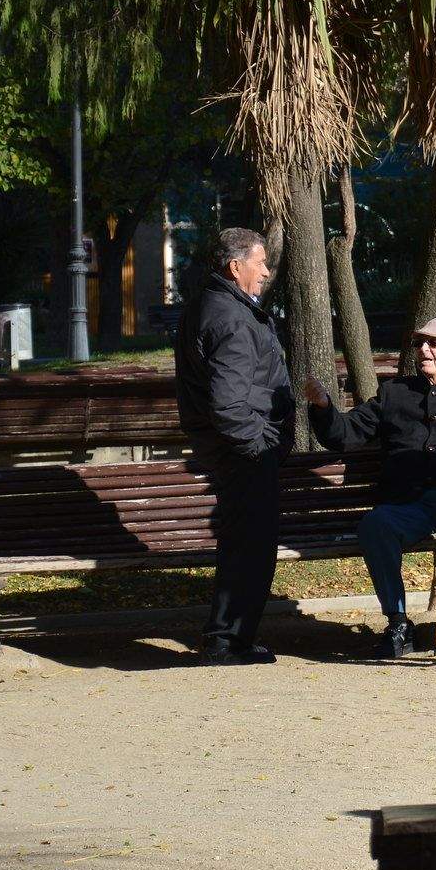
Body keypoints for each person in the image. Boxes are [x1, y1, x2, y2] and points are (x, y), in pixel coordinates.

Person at [303, 316, 436, 660]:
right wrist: (324, 408)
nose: (424, 350)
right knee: (377, 525)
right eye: (420, 343)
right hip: (413, 505)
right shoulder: (395, 393)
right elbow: (346, 434)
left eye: (434, 344)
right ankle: (398, 623)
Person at [175, 227, 295, 665]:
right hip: (243, 452)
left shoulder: (215, 306)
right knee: (250, 546)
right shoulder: (231, 317)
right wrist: (261, 444)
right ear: (235, 266)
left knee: (243, 544)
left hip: (236, 448)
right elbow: (230, 405)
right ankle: (229, 640)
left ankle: (231, 637)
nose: (265, 271)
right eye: (260, 262)